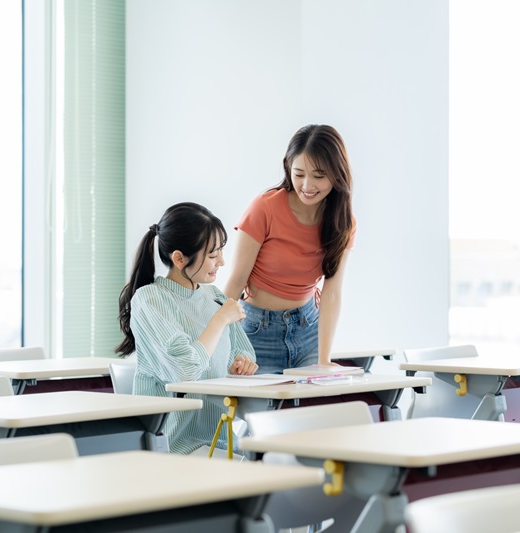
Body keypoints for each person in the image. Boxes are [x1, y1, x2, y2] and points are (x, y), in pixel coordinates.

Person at [116, 201, 257, 455]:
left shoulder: (213, 296)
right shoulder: (151, 299)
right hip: (176, 447)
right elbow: (185, 371)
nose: (221, 262)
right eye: (213, 255)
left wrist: (241, 365)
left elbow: (242, 352)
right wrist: (219, 320)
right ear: (179, 258)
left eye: (221, 252)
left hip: (222, 442)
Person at [224, 124, 355, 374]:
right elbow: (236, 281)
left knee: (312, 410)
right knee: (260, 411)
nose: (307, 185)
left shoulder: (343, 222)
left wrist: (324, 359)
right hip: (255, 331)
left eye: (319, 176)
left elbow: (332, 293)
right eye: (299, 174)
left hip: (308, 330)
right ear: (288, 167)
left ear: (337, 174)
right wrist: (218, 345)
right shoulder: (264, 208)